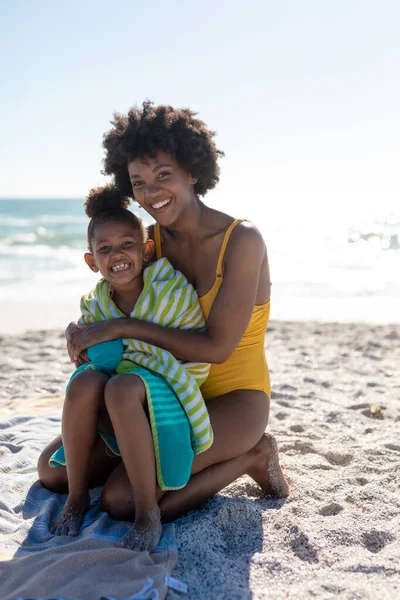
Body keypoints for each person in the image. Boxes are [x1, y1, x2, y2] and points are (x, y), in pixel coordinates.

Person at [38, 101, 289, 542]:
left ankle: (251, 454)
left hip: (233, 399)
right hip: (160, 391)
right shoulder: (145, 242)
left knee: (122, 500)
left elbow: (216, 348)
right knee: (53, 471)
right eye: (138, 182)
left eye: (163, 175)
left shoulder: (241, 240)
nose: (151, 192)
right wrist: (82, 334)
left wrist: (118, 329)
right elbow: (111, 303)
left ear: (192, 170)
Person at [46, 184, 212, 551]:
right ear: (91, 262)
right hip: (119, 391)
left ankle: (147, 513)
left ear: (146, 249)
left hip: (166, 384)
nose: (117, 255)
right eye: (104, 249)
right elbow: (90, 345)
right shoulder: (98, 301)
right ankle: (76, 498)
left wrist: (115, 345)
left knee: (119, 388)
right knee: (82, 383)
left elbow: (189, 351)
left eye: (126, 244)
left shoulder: (170, 290)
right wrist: (77, 335)